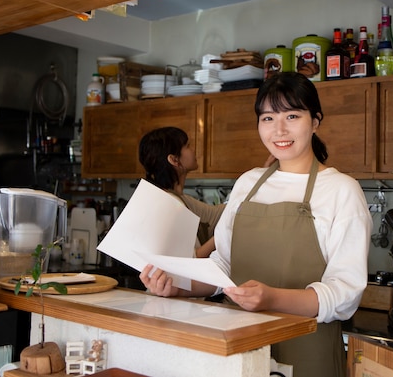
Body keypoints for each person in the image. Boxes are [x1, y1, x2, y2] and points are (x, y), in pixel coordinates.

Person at [140, 72, 372, 377]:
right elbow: (223, 266)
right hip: (240, 349)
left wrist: (273, 298)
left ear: (314, 121)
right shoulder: (247, 183)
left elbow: (345, 292)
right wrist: (178, 288)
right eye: (267, 118)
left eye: (292, 115)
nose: (279, 130)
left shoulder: (341, 190)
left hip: (307, 353)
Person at [138, 126, 224, 257]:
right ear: (174, 159)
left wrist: (258, 183)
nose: (193, 150)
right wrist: (223, 235)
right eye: (188, 146)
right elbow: (191, 259)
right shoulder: (169, 204)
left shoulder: (176, 198)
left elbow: (217, 213)